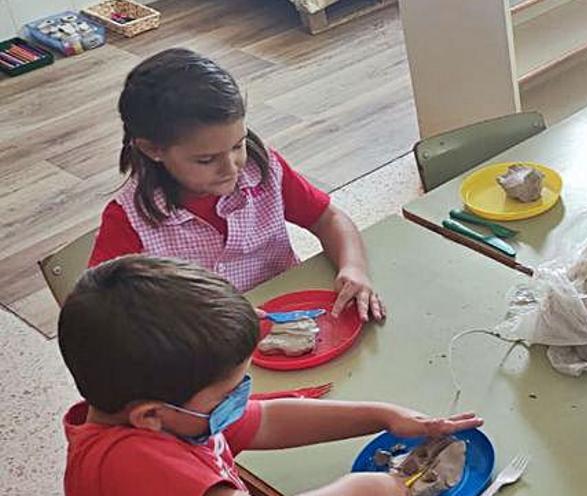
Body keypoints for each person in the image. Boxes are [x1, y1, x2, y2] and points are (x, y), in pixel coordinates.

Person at [60, 255, 481, 496]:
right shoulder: (128, 463)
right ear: (150, 414)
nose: (241, 397)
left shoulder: (175, 415)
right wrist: (365, 488)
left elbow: (267, 421)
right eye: (229, 392)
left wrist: (383, 416)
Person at [89, 48, 384, 322]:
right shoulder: (128, 219)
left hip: (288, 313)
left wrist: (353, 266)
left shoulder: (262, 167)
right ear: (153, 149)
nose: (231, 168)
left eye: (237, 145)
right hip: (205, 347)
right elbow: (102, 307)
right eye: (206, 160)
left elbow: (328, 217)